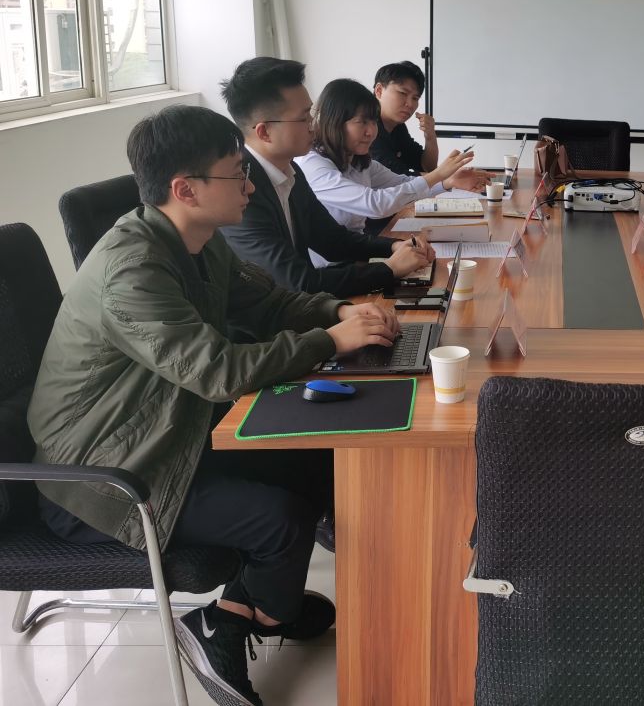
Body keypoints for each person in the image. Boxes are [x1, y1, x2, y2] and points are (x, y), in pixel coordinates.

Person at [26, 105, 401, 706]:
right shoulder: (133, 272)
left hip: (167, 434)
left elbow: (269, 303)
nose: (250, 186)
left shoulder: (195, 243)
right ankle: (228, 621)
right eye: (237, 173)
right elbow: (218, 372)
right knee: (280, 520)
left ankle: (262, 603)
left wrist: (339, 311)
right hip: (106, 477)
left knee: (319, 459)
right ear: (186, 189)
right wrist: (331, 342)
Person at [218, 56, 435, 297]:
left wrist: (394, 246)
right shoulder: (239, 189)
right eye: (304, 118)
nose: (314, 125)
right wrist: (389, 269)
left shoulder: (291, 170)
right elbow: (297, 282)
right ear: (265, 132)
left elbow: (333, 240)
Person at [298, 78, 487, 241]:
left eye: (373, 122)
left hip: (356, 251)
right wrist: (438, 175)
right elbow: (375, 205)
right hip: (330, 265)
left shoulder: (359, 160)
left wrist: (448, 181)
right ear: (335, 122)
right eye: (362, 122)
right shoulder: (313, 165)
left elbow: (404, 182)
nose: (371, 132)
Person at [370, 60, 438, 176]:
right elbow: (395, 177)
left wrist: (430, 136)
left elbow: (427, 167)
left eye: (415, 98)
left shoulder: (398, 127)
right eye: (402, 93)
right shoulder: (367, 126)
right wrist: (446, 177)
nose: (410, 104)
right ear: (379, 91)